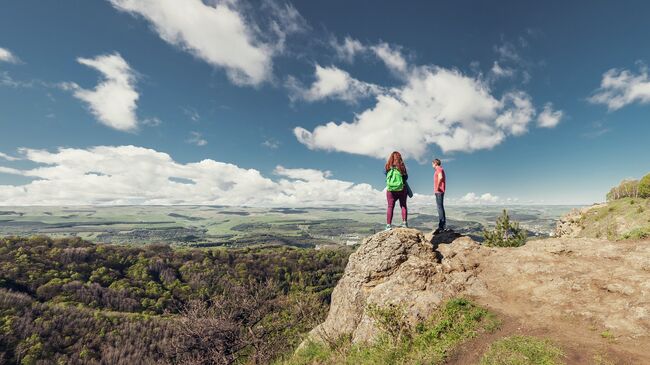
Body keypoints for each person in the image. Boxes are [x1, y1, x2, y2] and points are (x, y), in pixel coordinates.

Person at [384, 151, 408, 230]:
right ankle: (404, 223)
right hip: (402, 189)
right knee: (403, 205)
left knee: (390, 206)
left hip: (391, 190)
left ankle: (388, 225)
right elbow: (406, 177)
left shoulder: (387, 167)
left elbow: (386, 176)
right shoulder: (402, 167)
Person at [432, 158, 446, 234]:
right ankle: (442, 225)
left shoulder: (439, 169)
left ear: (435, 163)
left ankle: (441, 226)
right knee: (440, 207)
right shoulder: (439, 169)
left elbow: (440, 177)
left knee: (439, 208)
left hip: (439, 191)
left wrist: (437, 187)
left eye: (432, 163)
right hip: (439, 191)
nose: (432, 165)